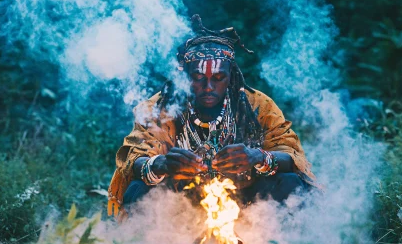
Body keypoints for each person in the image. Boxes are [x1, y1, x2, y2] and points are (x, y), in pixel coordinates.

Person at [107, 15, 321, 217]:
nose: (208, 87)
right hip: (179, 206)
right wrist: (161, 164)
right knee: (139, 188)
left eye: (218, 78)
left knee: (290, 183)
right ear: (184, 76)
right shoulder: (160, 107)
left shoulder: (258, 105)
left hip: (247, 205)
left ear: (231, 76)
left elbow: (290, 154)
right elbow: (134, 158)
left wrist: (258, 157)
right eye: (198, 78)